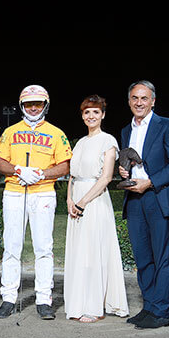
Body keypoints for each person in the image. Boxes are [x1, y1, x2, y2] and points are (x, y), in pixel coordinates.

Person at [0, 84, 72, 321]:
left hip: (44, 192)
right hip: (14, 192)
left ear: (45, 105)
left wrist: (41, 174)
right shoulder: (10, 131)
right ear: (22, 106)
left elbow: (65, 165)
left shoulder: (56, 133)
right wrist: (19, 170)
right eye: (29, 104)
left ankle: (44, 299)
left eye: (38, 103)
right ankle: (8, 298)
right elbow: (0, 163)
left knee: (44, 248)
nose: (33, 108)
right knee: (11, 247)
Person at [118, 80, 169, 329]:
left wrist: (150, 182)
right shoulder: (126, 130)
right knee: (143, 257)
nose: (139, 102)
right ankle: (149, 307)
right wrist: (124, 172)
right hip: (134, 199)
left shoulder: (167, 125)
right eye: (135, 98)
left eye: (144, 98)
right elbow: (129, 162)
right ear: (129, 101)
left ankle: (161, 312)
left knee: (162, 257)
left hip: (158, 196)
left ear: (153, 101)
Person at [64, 94, 129, 323]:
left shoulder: (108, 141)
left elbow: (106, 178)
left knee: (93, 252)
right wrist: (70, 200)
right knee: (79, 253)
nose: (91, 116)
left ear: (103, 115)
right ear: (82, 116)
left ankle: (94, 306)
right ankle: (78, 302)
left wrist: (82, 202)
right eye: (87, 112)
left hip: (95, 201)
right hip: (76, 200)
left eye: (95, 112)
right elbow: (72, 175)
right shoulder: (80, 142)